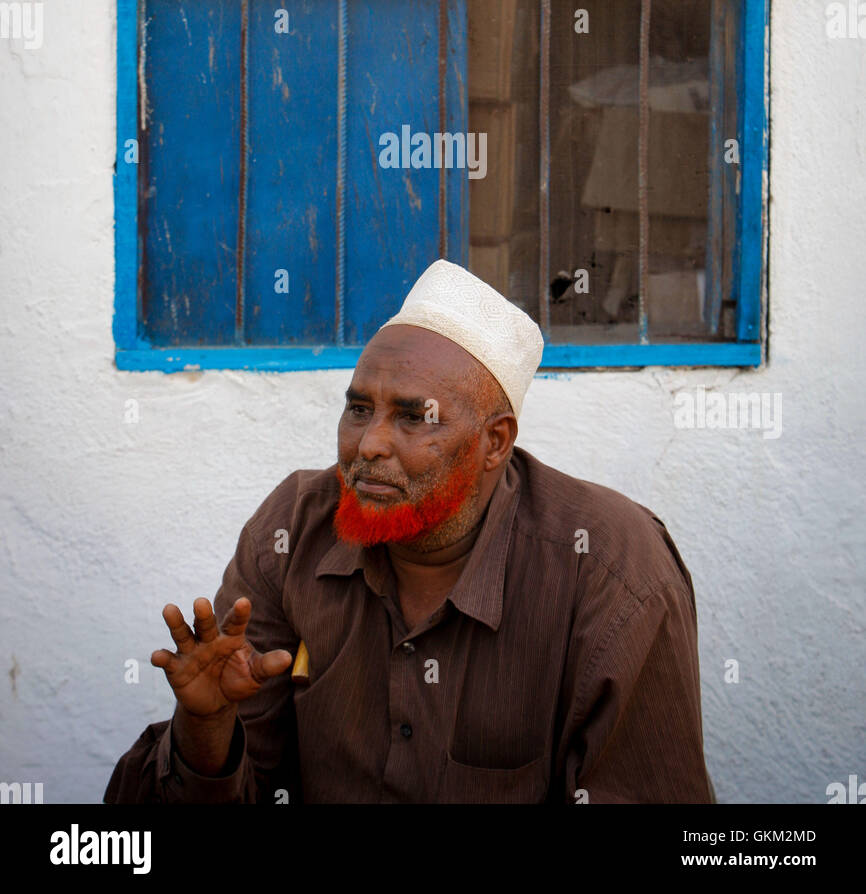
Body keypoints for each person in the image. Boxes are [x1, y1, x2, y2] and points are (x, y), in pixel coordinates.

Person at [104, 259, 715, 804]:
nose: (368, 446)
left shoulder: (612, 570)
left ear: (494, 442)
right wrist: (207, 731)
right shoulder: (292, 531)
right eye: (359, 409)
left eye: (412, 417)